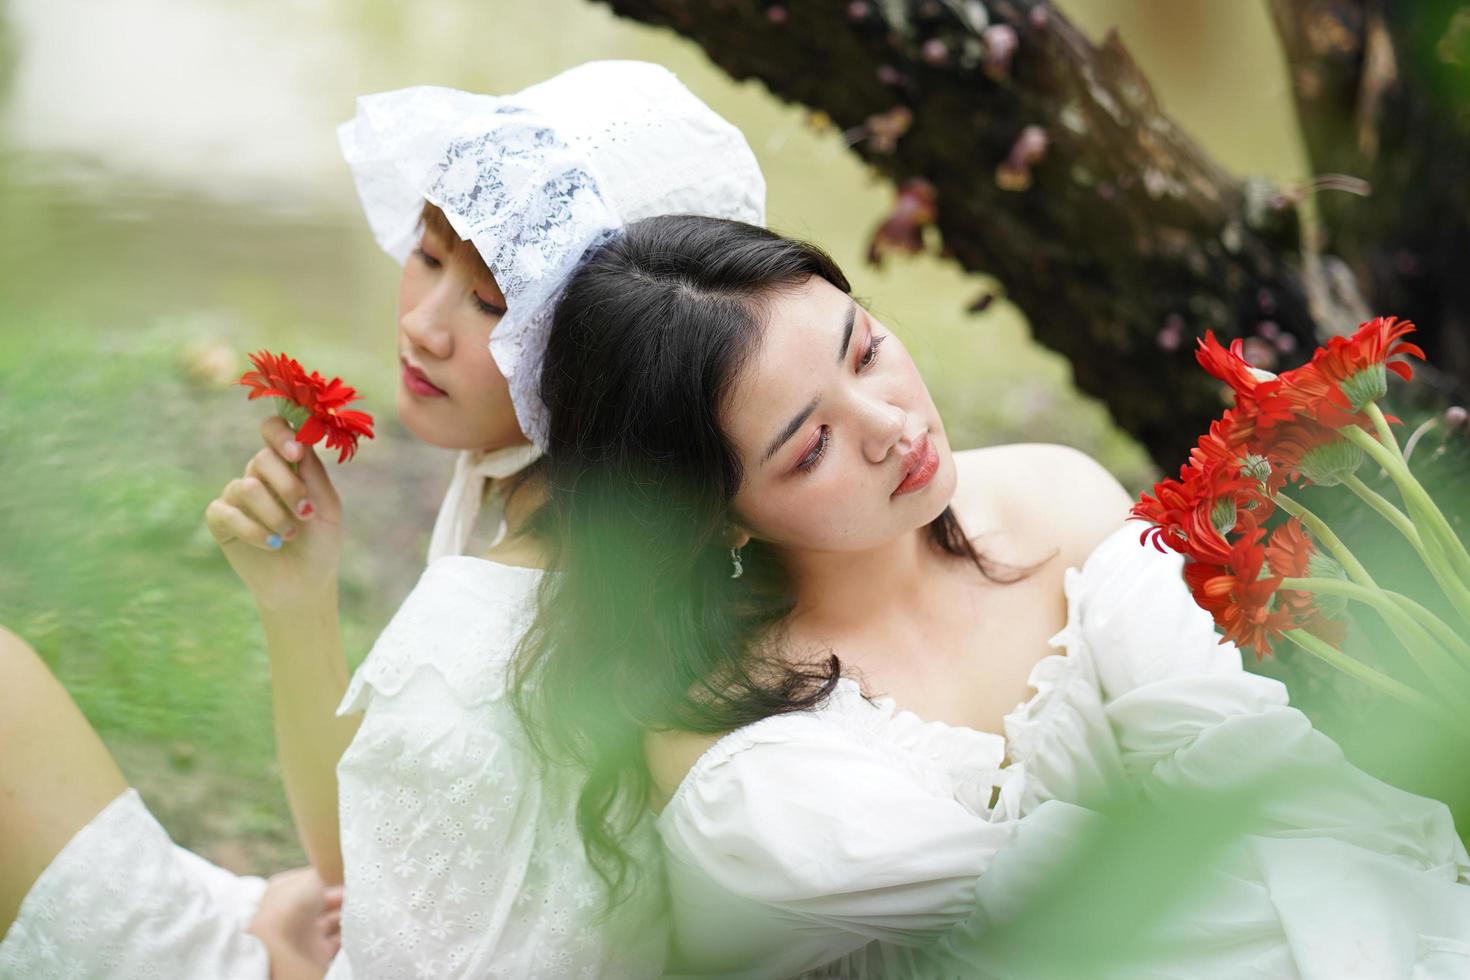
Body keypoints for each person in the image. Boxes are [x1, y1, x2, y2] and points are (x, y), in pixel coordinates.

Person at [515, 213, 1470, 978]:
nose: (892, 425)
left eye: (865, 350)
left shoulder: (1049, 495)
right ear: (715, 517)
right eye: (809, 447)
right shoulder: (734, 760)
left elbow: (1246, 766)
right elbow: (1080, 920)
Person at [0, 62, 765, 979]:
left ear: (605, 356)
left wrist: (295, 951)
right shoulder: (630, 541)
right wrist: (298, 601)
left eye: (492, 302)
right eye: (428, 256)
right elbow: (384, 853)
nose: (424, 327)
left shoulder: (498, 619)